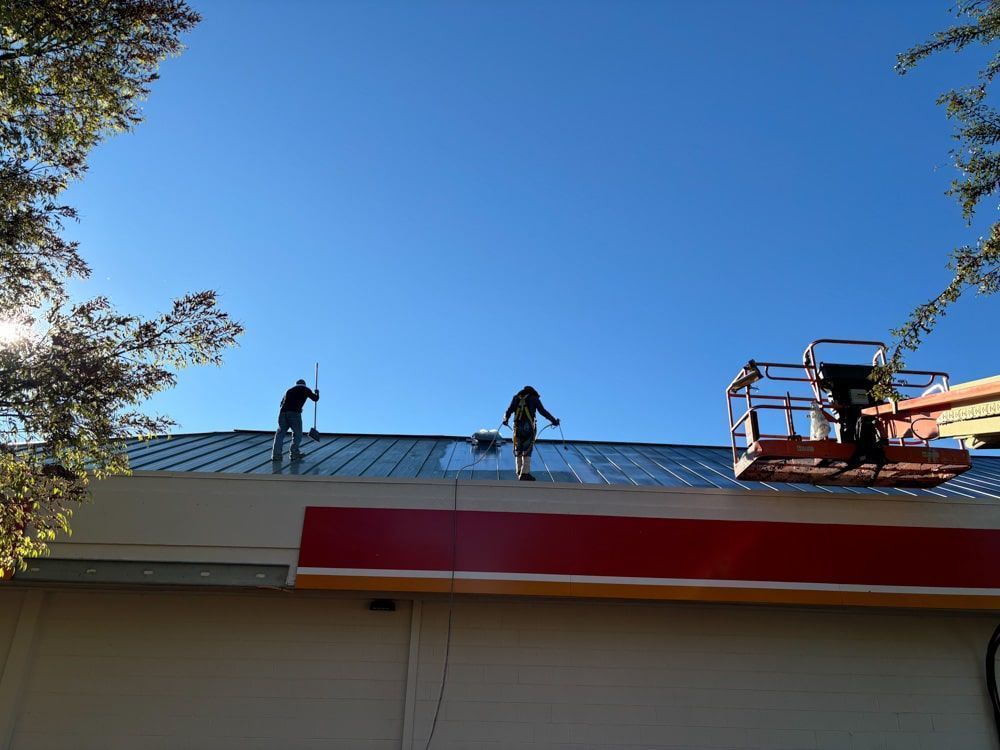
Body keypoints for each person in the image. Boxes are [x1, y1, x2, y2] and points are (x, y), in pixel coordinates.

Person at [503, 385, 559, 481]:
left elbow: (508, 411)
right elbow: (543, 411)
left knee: (518, 449)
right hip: (528, 427)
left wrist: (505, 419)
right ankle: (525, 473)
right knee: (527, 449)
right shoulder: (534, 398)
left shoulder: (516, 398)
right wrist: (554, 421)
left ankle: (519, 471)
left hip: (517, 428)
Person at [271, 379, 319, 461]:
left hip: (283, 413)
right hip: (294, 413)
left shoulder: (289, 390)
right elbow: (315, 398)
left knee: (280, 434)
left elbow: (281, 403)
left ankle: (276, 455)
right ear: (304, 384)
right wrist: (317, 393)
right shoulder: (305, 389)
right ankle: (294, 454)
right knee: (297, 434)